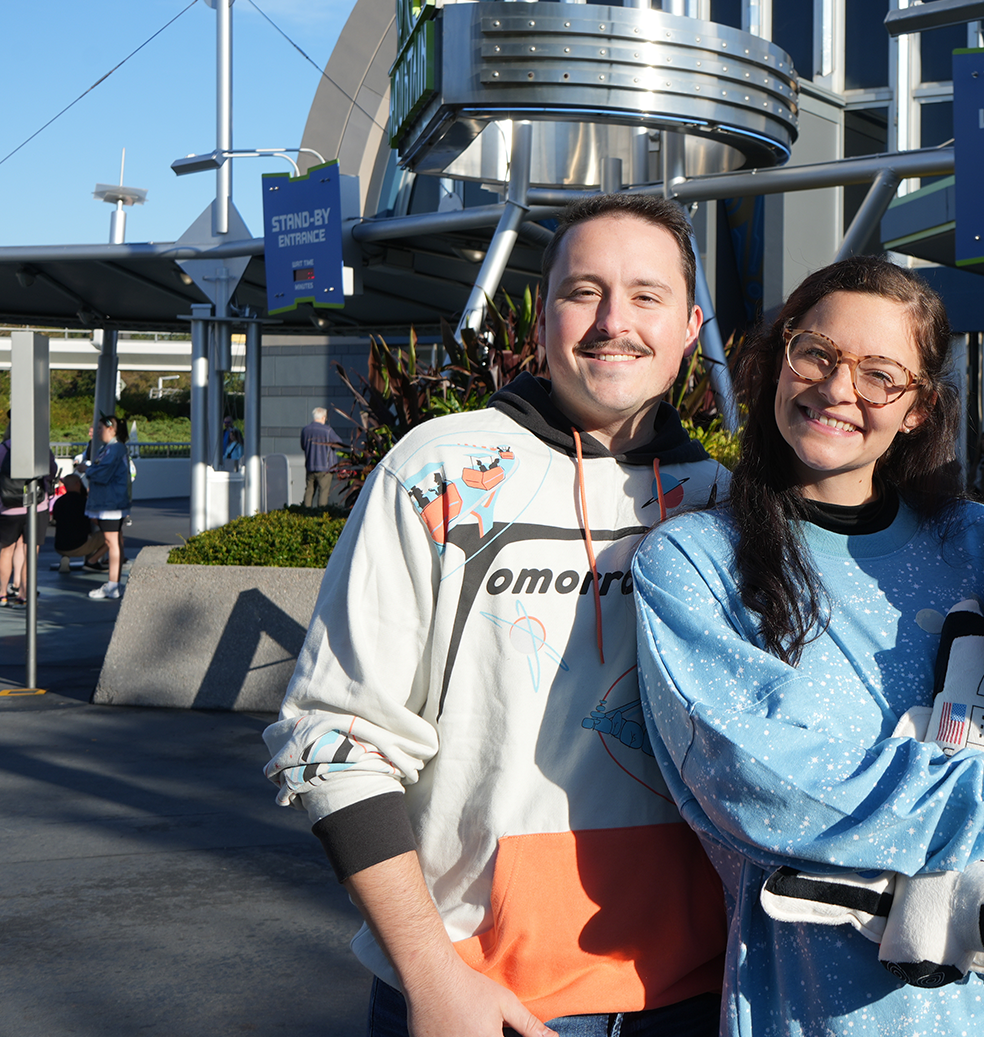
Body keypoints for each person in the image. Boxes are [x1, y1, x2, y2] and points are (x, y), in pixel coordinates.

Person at [632, 258, 984, 1036]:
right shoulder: (694, 561)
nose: (839, 388)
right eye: (817, 354)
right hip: (829, 1008)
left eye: (880, 374)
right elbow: (762, 785)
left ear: (917, 408)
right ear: (777, 362)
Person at [263, 194, 730, 1037]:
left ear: (690, 327)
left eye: (647, 295)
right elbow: (335, 736)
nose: (613, 322)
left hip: (703, 998)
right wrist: (433, 976)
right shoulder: (438, 471)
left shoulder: (728, 506)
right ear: (544, 318)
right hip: (484, 998)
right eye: (583, 292)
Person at [0, 424, 57, 608]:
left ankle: (2, 594)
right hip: (36, 506)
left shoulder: (1, 450)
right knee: (30, 552)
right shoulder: (40, 447)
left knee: (6, 549)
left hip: (8, 507)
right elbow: (51, 471)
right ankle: (24, 596)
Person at [83, 415, 131, 600]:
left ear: (111, 429)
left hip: (111, 503)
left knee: (112, 542)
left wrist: (86, 469)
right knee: (114, 541)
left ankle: (112, 585)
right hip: (110, 502)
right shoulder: (111, 448)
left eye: (100, 428)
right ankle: (113, 584)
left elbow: (103, 473)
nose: (96, 431)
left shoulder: (115, 449)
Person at [301, 407, 339, 507]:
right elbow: (339, 443)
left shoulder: (305, 430)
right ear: (323, 417)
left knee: (309, 491)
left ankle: (305, 511)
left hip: (310, 466)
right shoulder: (327, 431)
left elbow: (303, 446)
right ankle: (321, 513)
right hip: (325, 468)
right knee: (323, 492)